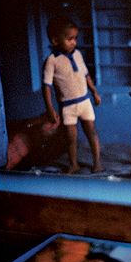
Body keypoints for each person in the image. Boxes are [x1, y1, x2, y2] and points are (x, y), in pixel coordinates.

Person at [43, 15, 102, 173]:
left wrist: (95, 92)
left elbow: (86, 75)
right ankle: (73, 163)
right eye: (70, 39)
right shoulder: (51, 60)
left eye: (75, 38)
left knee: (91, 132)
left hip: (84, 102)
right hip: (67, 106)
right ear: (55, 40)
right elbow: (46, 86)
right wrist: (50, 108)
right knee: (71, 138)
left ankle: (97, 162)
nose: (74, 42)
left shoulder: (77, 54)